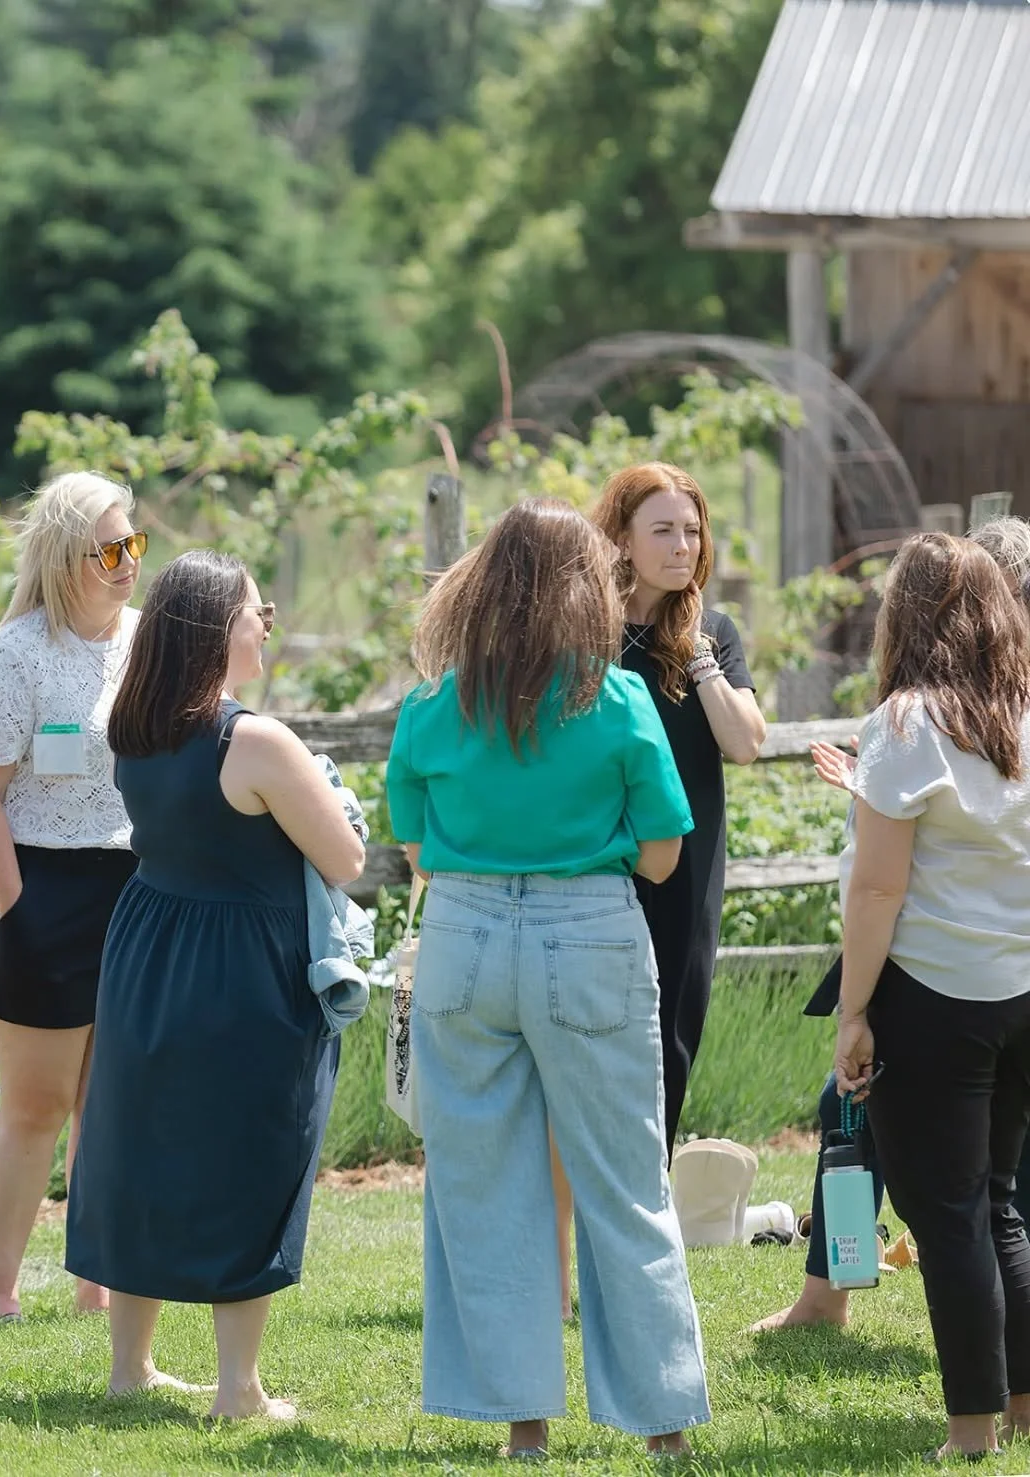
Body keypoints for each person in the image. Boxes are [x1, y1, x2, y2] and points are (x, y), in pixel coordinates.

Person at [387, 498, 710, 1460]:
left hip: (464, 939)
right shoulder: (617, 702)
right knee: (625, 1181)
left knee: (484, 1185)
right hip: (590, 935)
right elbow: (661, 857)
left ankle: (522, 1424)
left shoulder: (434, 705)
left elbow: (420, 852)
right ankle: (662, 1427)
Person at [64, 550, 365, 1420]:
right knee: (253, 1152)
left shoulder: (135, 728)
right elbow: (343, 858)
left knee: (140, 1145)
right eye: (251, 609)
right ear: (213, 629)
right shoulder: (253, 738)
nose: (265, 618)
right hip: (244, 964)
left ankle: (132, 1365)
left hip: (149, 946)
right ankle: (239, 1389)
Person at [753, 515, 1030, 1335]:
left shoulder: (985, 706)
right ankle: (829, 1287)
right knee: (846, 1113)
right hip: (930, 949)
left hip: (949, 961)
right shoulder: (956, 707)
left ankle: (851, 1300)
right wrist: (879, 798)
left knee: (976, 1191)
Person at [832, 532, 1030, 1462]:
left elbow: (876, 890)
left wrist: (852, 1010)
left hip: (935, 994)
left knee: (946, 1214)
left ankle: (969, 1431)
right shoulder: (1020, 713)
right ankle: (1022, 1409)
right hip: (1021, 991)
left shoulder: (906, 723)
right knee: (996, 1204)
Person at [0, 472, 145, 1321]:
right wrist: (14, 907)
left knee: (110, 1101)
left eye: (134, 543)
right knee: (35, 1103)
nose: (128, 561)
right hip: (34, 880)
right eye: (110, 549)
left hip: (131, 884)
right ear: (67, 560)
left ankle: (94, 1279)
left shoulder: (145, 640)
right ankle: (1, 1290)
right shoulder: (17, 652)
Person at [589, 462, 766, 1152]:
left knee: (674, 1025)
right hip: (598, 857)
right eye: (662, 529)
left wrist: (699, 660)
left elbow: (746, 742)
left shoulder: (713, 632)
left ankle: (652, 1182)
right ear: (623, 539)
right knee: (598, 1022)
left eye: (692, 530)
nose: (682, 546)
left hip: (690, 864)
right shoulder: (587, 631)